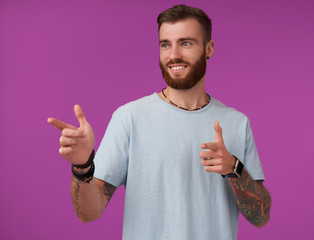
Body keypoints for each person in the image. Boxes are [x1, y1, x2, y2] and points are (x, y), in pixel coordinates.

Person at [48, 4, 271, 240]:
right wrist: (83, 166)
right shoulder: (129, 118)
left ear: (209, 49)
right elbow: (88, 213)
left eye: (185, 43)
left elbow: (261, 216)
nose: (173, 54)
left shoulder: (237, 123)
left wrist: (234, 169)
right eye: (165, 44)